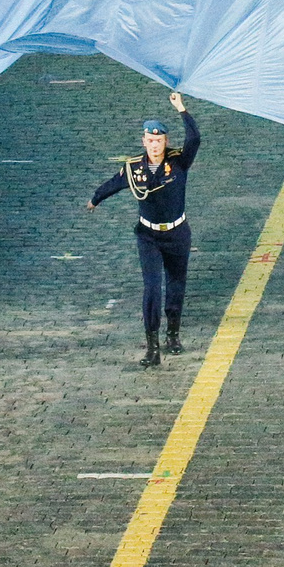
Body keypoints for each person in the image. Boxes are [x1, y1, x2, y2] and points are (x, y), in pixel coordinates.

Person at [88, 91, 199, 369]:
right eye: (150, 141)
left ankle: (173, 335)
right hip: (148, 235)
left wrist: (181, 109)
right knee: (152, 287)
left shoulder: (178, 162)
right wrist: (94, 199)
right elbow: (114, 183)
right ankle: (152, 347)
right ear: (144, 141)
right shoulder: (134, 167)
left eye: (159, 140)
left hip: (177, 233)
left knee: (176, 284)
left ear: (165, 142)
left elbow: (195, 139)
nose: (154, 145)